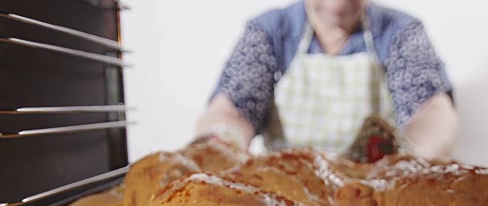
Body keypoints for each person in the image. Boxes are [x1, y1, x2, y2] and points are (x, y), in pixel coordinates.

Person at [193, 0, 459, 161]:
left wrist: (414, 160)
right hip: (285, 193)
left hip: (375, 198)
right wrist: (220, 144)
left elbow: (432, 112)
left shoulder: (399, 32)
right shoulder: (271, 31)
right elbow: (232, 111)